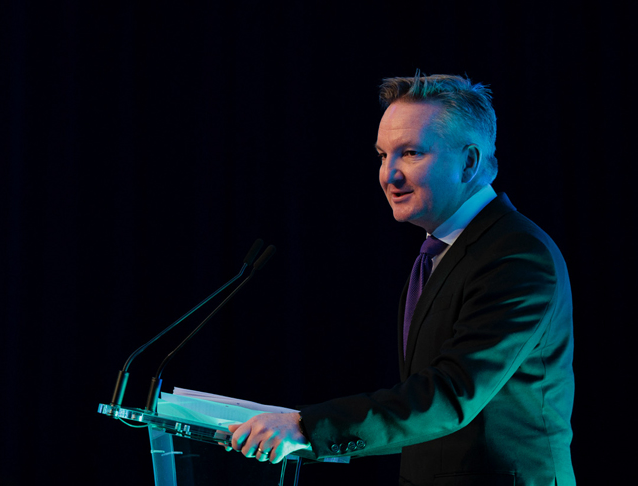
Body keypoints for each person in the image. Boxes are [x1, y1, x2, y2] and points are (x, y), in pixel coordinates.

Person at [226, 73, 575, 486]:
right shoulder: (440, 250)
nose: (389, 175)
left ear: (469, 162)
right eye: (382, 155)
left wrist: (307, 427)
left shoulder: (516, 254)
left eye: (410, 153)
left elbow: (450, 394)